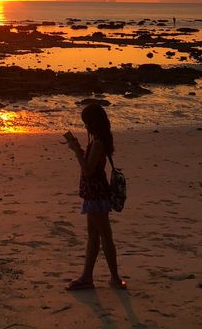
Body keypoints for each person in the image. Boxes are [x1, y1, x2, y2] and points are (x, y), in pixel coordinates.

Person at [63, 103, 127, 290]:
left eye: (86, 123)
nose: (85, 126)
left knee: (104, 235)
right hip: (95, 193)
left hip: (96, 194)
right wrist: (80, 149)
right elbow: (92, 163)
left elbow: (88, 170)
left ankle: (114, 278)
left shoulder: (98, 143)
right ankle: (88, 277)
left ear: (92, 123)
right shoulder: (99, 141)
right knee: (94, 235)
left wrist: (76, 151)